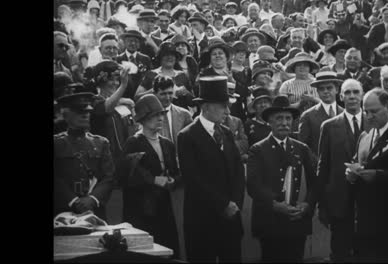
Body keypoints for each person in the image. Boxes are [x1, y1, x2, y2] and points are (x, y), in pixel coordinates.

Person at [177, 76, 245, 262]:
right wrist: (223, 204)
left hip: (230, 220)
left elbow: (238, 172)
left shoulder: (227, 133)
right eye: (223, 105)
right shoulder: (187, 136)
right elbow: (193, 178)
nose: (228, 111)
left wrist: (236, 204)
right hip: (202, 220)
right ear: (205, 107)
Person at [247, 94, 319, 262]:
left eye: (288, 118)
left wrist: (307, 204)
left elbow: (315, 183)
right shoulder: (257, 150)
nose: (284, 122)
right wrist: (275, 205)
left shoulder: (302, 148)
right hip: (270, 221)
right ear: (269, 122)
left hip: (297, 220)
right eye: (279, 118)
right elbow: (253, 185)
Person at [346, 88, 388, 262]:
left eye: (374, 111)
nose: (369, 116)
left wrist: (379, 175)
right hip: (366, 221)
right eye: (366, 111)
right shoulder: (365, 136)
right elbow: (357, 164)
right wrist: (351, 174)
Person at [119, 94, 180, 259]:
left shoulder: (167, 143)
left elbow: (175, 171)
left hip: (163, 206)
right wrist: (153, 180)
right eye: (154, 115)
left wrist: (173, 180)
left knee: (167, 248)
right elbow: (127, 173)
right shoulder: (133, 142)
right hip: (140, 208)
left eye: (161, 114)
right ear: (143, 119)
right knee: (144, 254)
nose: (159, 118)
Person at [317, 78, 368, 262]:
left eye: (356, 92)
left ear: (362, 95)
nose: (352, 96)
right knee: (340, 252)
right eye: (347, 92)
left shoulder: (374, 124)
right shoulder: (329, 126)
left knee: (366, 251)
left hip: (369, 201)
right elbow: (323, 167)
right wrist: (322, 205)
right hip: (339, 201)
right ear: (341, 96)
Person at [54, 92, 115, 220]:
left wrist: (92, 199)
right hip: (63, 212)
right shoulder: (57, 143)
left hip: (94, 211)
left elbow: (109, 177)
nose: (85, 115)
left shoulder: (101, 143)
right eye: (79, 111)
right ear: (66, 114)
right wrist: (73, 200)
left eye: (87, 111)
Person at [89, 61, 136, 163]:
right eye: (111, 80)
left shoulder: (124, 103)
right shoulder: (94, 101)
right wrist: (123, 85)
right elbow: (107, 107)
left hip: (125, 158)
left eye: (117, 80)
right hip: (105, 158)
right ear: (101, 81)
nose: (115, 83)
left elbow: (133, 128)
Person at [299, 71, 344, 163]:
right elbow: (303, 146)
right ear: (317, 92)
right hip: (317, 168)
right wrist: (318, 162)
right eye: (321, 89)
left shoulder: (345, 113)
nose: (325, 91)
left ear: (337, 90)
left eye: (329, 88)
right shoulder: (308, 116)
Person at [116, 29, 153, 99]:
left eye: (136, 41)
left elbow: (149, 77)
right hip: (123, 95)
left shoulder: (145, 59)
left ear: (139, 44)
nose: (133, 43)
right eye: (130, 41)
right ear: (124, 42)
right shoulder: (118, 59)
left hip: (141, 96)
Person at [171, 34, 199, 102]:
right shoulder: (172, 63)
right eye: (177, 46)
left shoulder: (191, 60)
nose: (180, 47)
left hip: (194, 95)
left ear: (187, 48)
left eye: (183, 45)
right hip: (179, 98)